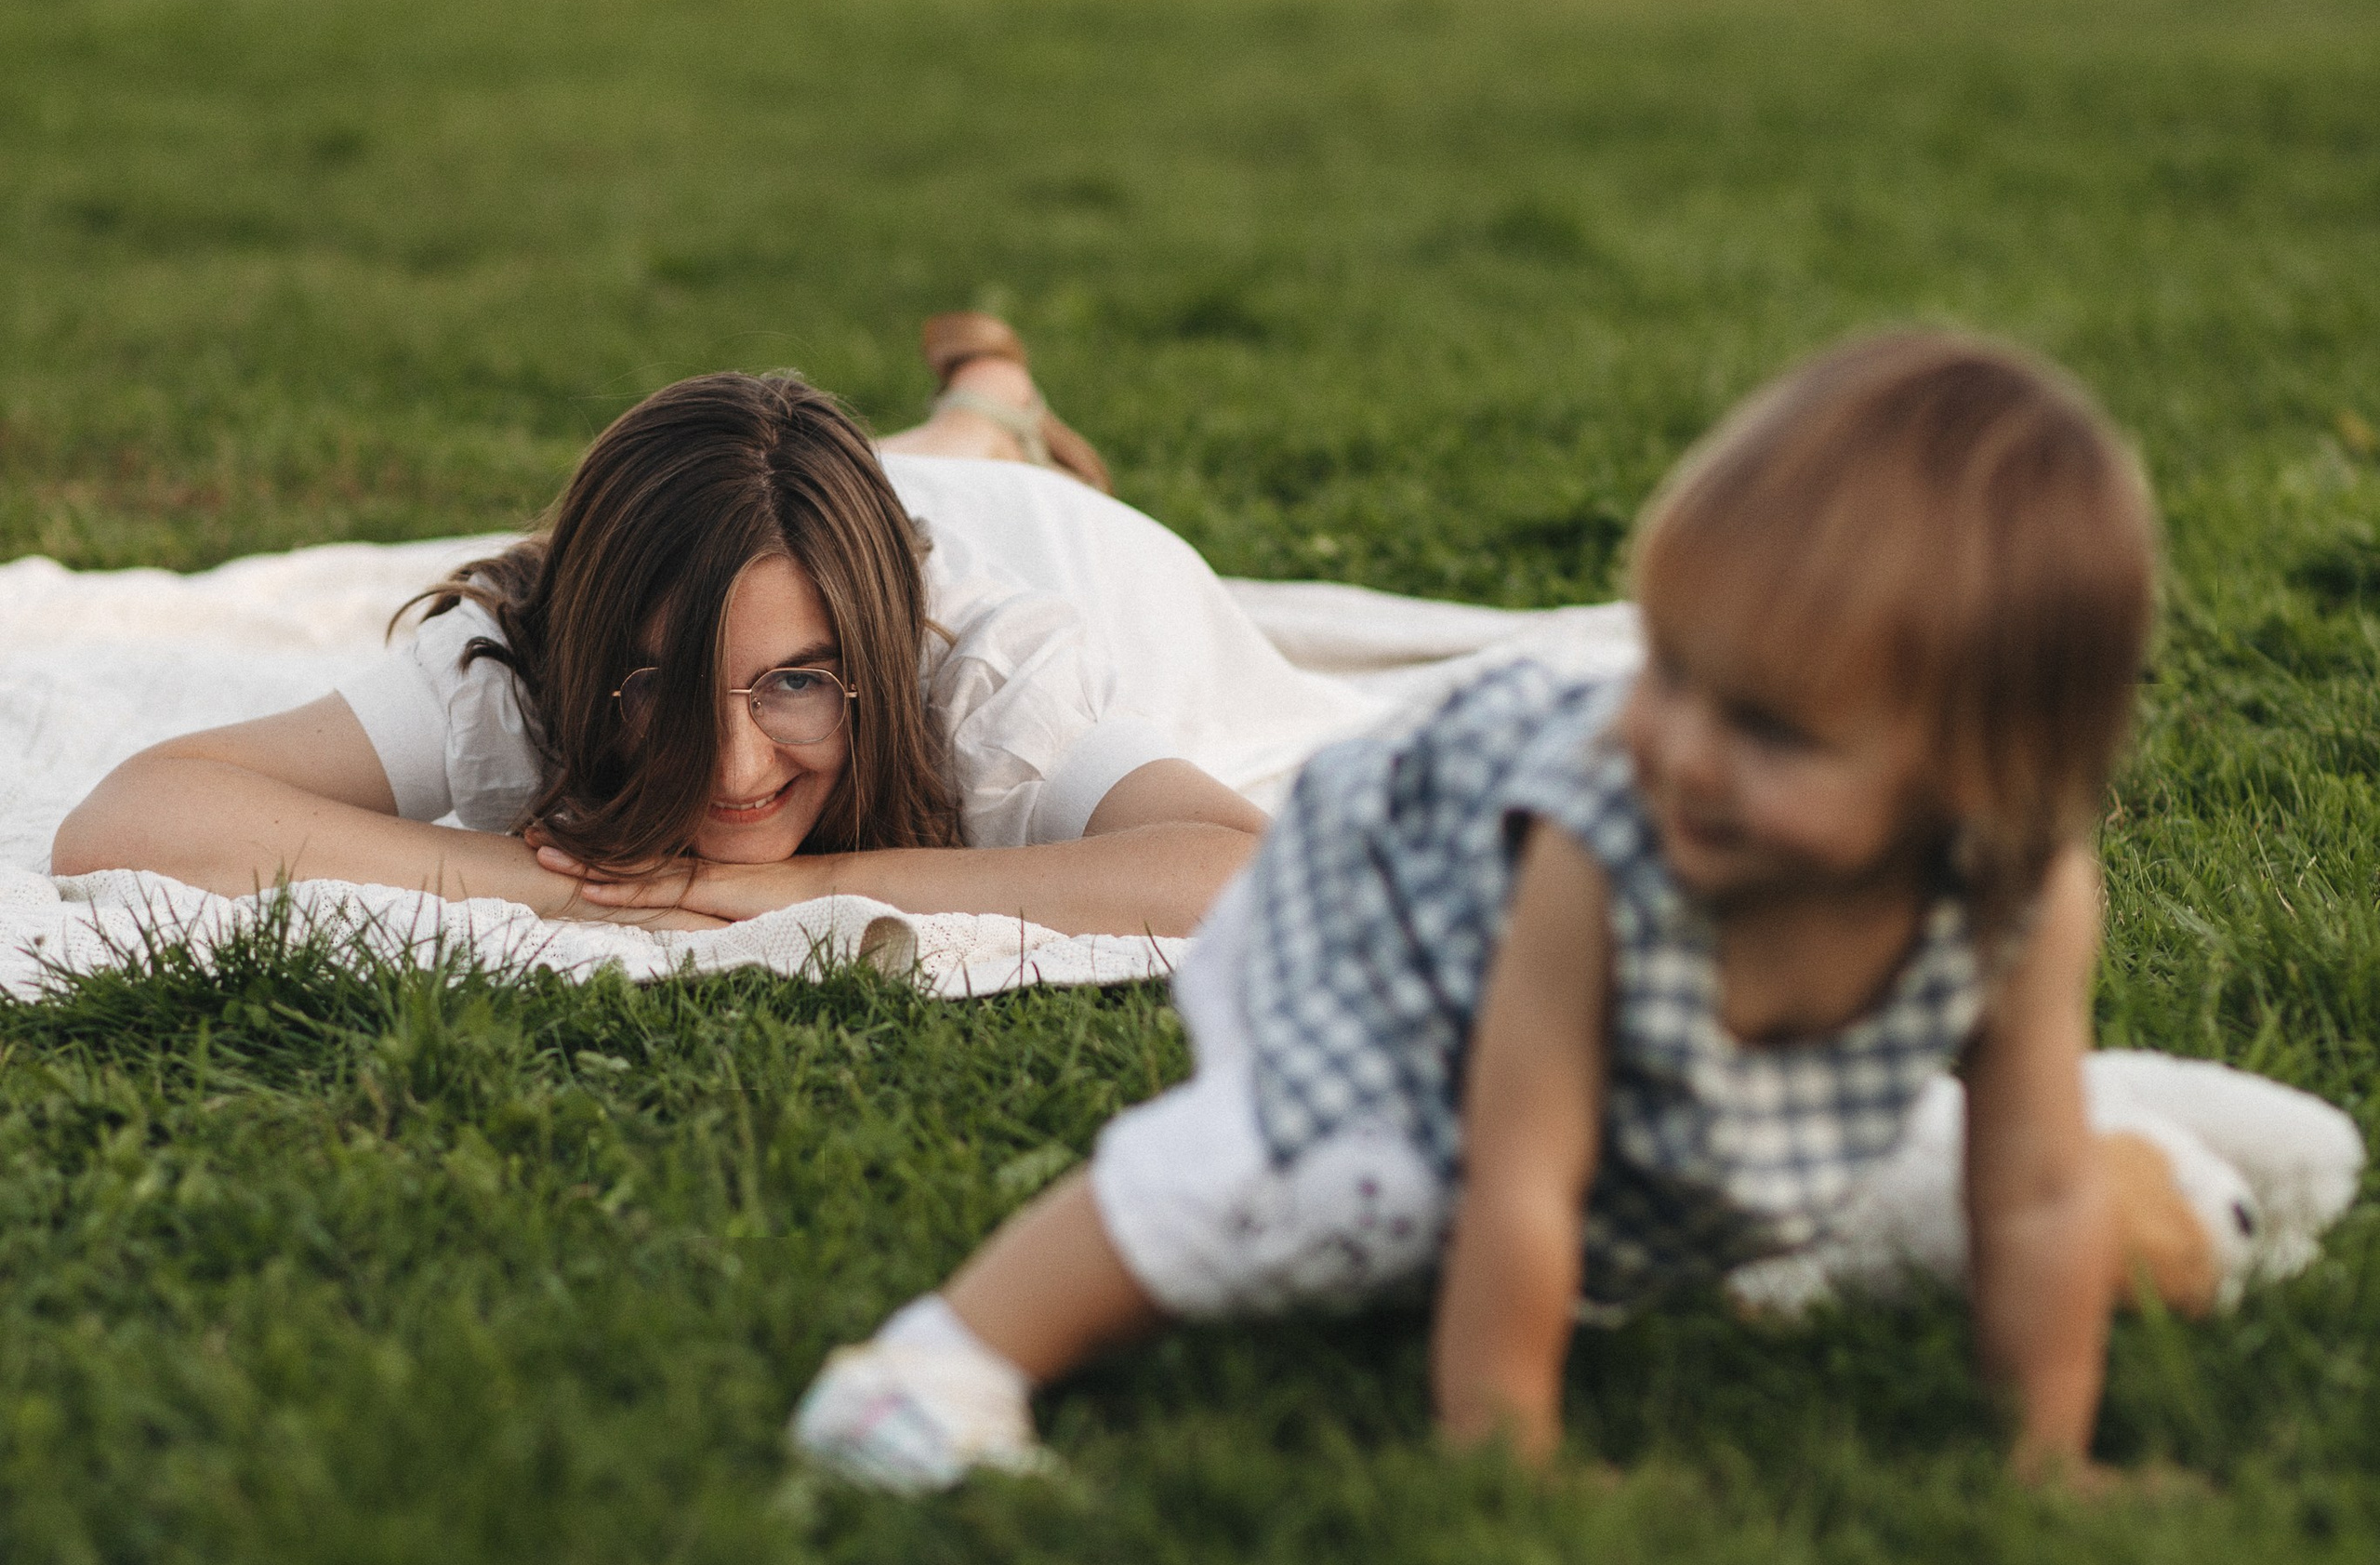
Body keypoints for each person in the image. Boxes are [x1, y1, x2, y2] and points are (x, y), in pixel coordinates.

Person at [791, 328, 2168, 1492]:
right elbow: (1520, 1173)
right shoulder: (1607, 837)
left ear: (1988, 775)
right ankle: (942, 1358)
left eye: (1769, 729)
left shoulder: (2027, 901)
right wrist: (1509, 1467)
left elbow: (2038, 1185)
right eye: (1666, 668)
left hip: (1565, 1001)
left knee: (1658, 1174)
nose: (1683, 750)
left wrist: (2049, 1458)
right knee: (1335, 1180)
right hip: (1390, 919)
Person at [49, 331, 1278, 939]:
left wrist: (819, 884)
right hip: (824, 528)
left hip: (1040, 532)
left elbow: (1253, 872)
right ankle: (983, 403)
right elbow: (135, 818)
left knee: (960, 475)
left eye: (798, 685)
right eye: (658, 684)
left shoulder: (984, 674)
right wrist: (569, 891)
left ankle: (993, 411)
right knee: (897, 475)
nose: (733, 771)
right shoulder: (522, 663)